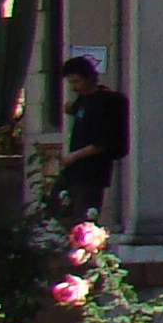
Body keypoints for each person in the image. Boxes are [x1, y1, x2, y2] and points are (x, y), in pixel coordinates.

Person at [56, 56, 128, 225]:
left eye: (77, 81)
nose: (74, 87)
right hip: (74, 171)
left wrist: (74, 156)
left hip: (92, 171)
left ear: (89, 78)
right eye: (71, 83)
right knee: (61, 210)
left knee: (84, 216)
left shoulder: (104, 102)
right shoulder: (83, 101)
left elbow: (102, 141)